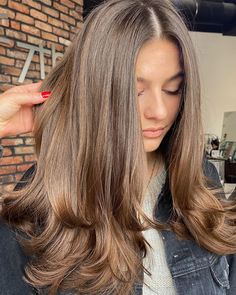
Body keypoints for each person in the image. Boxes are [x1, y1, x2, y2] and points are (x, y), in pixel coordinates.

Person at [0, 0, 235, 294]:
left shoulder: (201, 180)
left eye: (173, 88)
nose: (160, 111)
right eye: (136, 92)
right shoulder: (46, 200)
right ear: (95, 89)